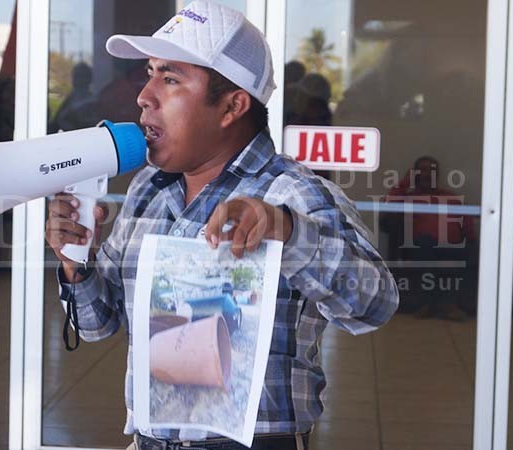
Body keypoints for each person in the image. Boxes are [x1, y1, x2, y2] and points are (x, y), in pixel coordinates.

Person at [44, 2, 399, 449]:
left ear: (232, 106)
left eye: (169, 78)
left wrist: (286, 231)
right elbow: (98, 323)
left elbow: (375, 306)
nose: (144, 95)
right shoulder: (147, 192)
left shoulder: (293, 195)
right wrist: (76, 262)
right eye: (150, 73)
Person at [384, 156, 476, 320]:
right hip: (423, 245)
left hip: (452, 246)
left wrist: (472, 241)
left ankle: (446, 305)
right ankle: (430, 305)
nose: (428, 174)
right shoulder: (408, 197)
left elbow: (466, 223)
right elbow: (389, 204)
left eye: (432, 170)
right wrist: (406, 181)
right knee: (426, 247)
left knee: (464, 252)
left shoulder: (450, 197)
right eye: (423, 170)